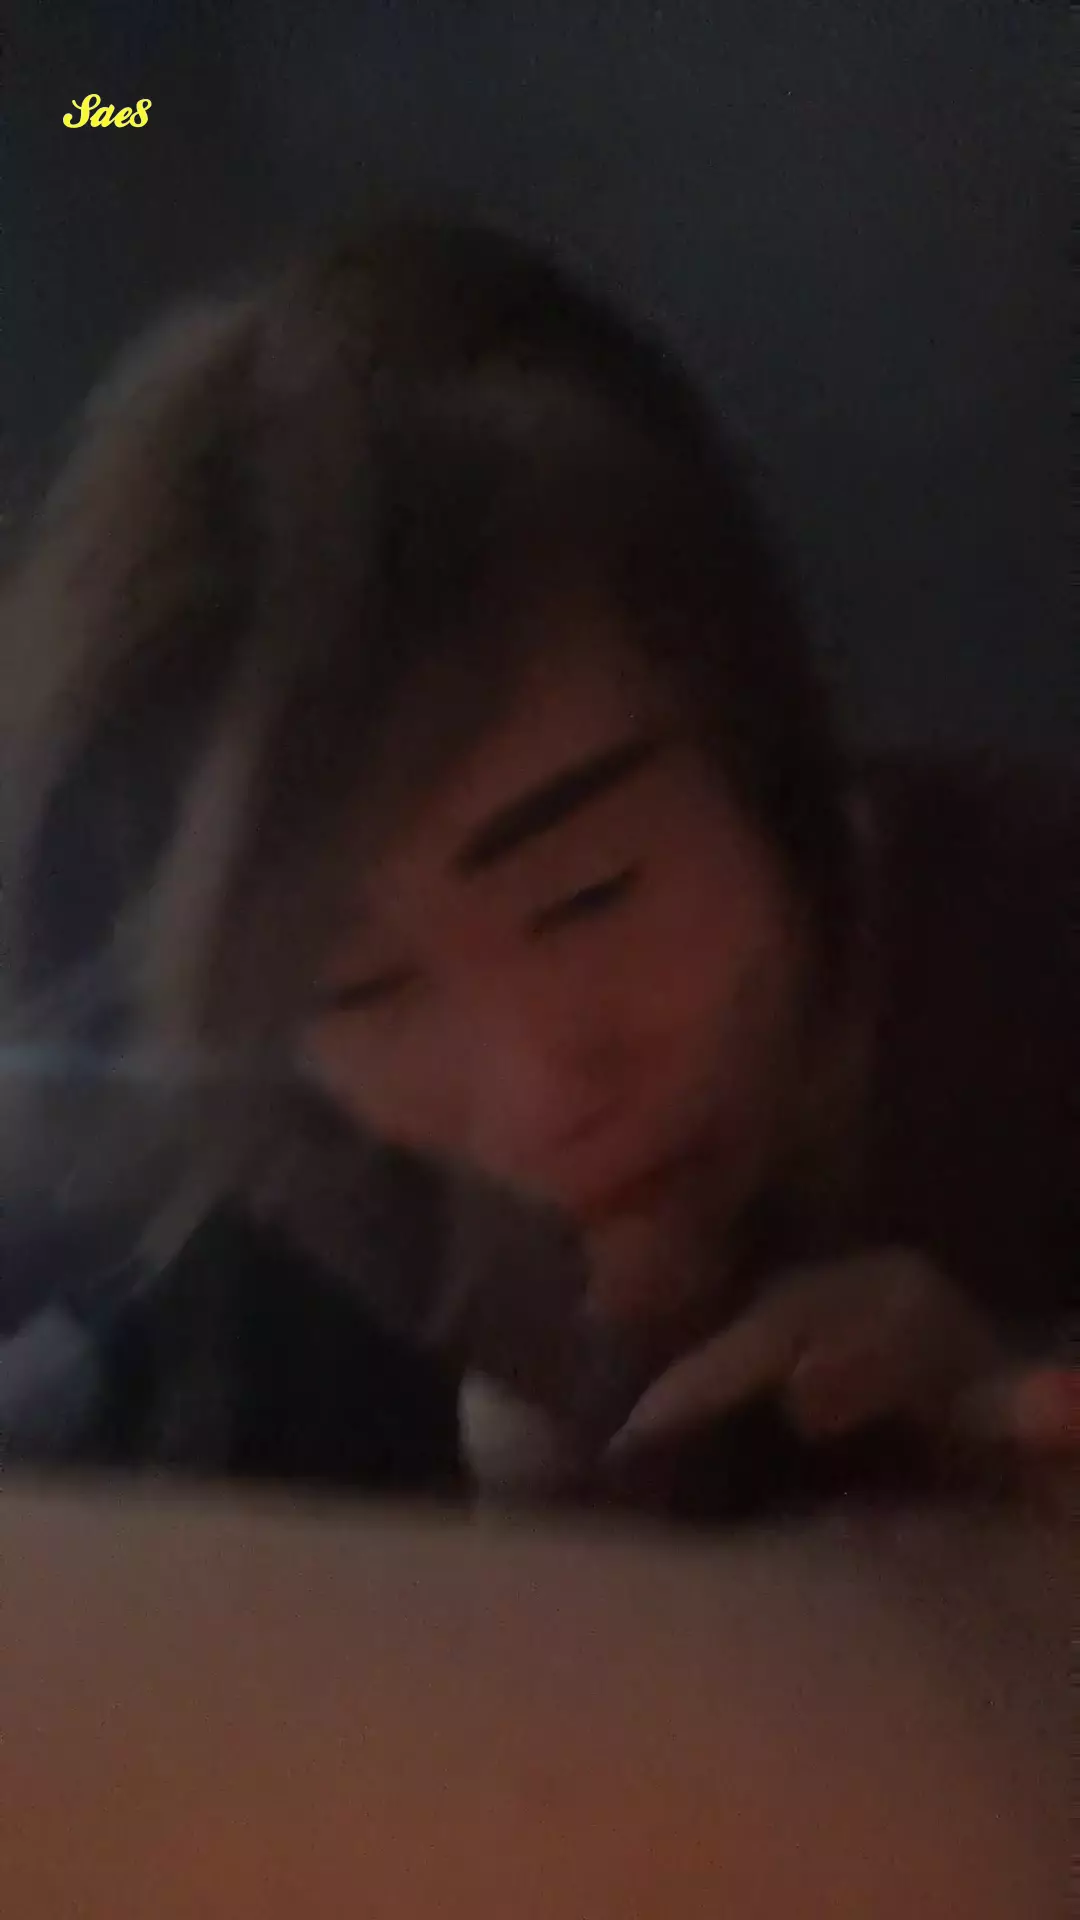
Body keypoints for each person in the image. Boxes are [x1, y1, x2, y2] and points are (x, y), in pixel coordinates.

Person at [2, 217, 1075, 1512]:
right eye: (357, 992)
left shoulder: (1031, 971)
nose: (540, 1097)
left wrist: (1003, 1480)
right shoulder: (273, 1211)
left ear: (765, 753)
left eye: (589, 896)